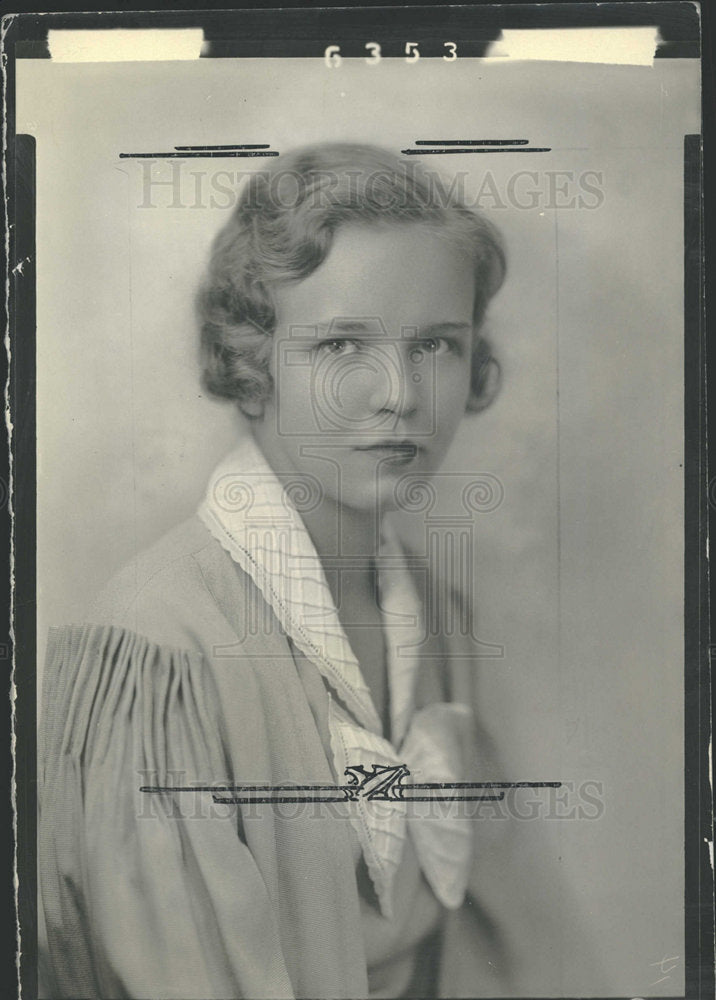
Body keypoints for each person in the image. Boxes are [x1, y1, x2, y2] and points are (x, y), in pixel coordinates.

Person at [38, 143, 599, 999]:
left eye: (438, 346)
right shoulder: (157, 651)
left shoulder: (437, 617)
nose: (400, 394)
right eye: (342, 345)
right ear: (252, 364)